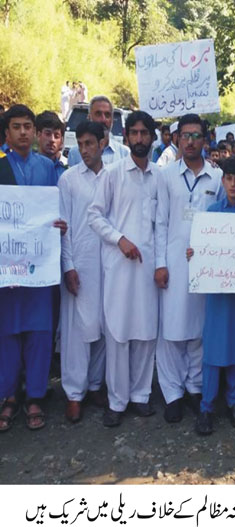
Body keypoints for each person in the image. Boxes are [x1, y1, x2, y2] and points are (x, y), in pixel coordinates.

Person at [87, 110, 160, 427]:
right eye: (135, 133)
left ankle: (141, 396)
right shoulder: (113, 174)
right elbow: (94, 215)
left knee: (145, 333)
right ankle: (117, 401)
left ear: (153, 138)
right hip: (119, 267)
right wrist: (120, 240)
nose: (140, 138)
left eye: (145, 133)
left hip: (149, 269)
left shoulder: (160, 177)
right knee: (118, 333)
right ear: (126, 137)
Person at [0, 105, 66, 432]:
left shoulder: (48, 168)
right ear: (7, 133)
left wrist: (60, 225)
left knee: (40, 332)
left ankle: (36, 395)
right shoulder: (0, 166)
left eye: (28, 126)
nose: (24, 132)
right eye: (17, 127)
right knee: (8, 333)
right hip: (7, 269)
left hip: (39, 268)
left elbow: (57, 210)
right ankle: (10, 395)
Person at [154, 114, 222, 423]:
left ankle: (195, 387)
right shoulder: (166, 175)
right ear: (177, 139)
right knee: (172, 330)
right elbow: (160, 223)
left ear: (205, 140)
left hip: (206, 265)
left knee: (199, 329)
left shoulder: (217, 177)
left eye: (196, 136)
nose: (191, 141)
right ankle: (172, 393)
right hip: (173, 261)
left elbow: (225, 220)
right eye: (185, 135)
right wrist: (160, 263)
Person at [189, 157, 235, 435]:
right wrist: (194, 254)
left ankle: (234, 402)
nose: (233, 184)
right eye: (229, 179)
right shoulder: (210, 214)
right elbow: (201, 249)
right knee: (214, 350)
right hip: (218, 294)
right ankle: (207, 407)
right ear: (222, 181)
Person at [59, 121, 109, 423]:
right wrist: (68, 266)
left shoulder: (113, 176)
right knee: (76, 332)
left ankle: (94, 385)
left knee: (102, 326)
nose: (84, 149)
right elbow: (64, 226)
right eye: (80, 144)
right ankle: (74, 393)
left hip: (108, 264)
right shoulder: (69, 179)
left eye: (89, 143)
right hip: (79, 263)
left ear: (103, 143)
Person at [68, 96, 130, 167]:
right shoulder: (75, 154)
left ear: (112, 120)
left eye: (107, 115)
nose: (103, 120)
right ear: (89, 117)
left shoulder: (124, 153)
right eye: (98, 114)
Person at [36, 111, 67, 180]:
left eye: (56, 136)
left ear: (62, 140)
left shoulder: (67, 171)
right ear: (38, 135)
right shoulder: (27, 168)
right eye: (48, 134)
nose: (52, 140)